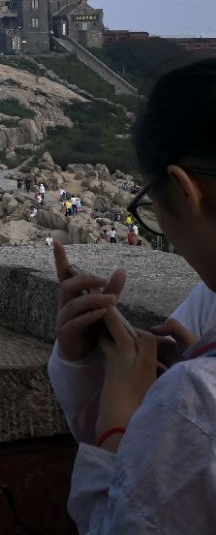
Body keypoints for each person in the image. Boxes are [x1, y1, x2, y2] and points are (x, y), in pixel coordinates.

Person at [46, 58, 216, 532]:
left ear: (185, 191)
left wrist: (117, 428)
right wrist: (86, 366)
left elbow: (119, 520)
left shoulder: (194, 399)